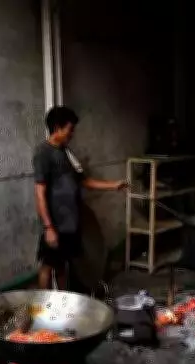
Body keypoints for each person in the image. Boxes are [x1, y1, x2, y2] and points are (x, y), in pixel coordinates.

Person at [33, 106, 127, 289]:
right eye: (70, 129)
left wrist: (114, 185)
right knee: (48, 266)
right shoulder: (43, 153)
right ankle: (42, 302)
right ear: (57, 127)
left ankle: (62, 301)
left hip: (71, 223)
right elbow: (39, 192)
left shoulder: (66, 153)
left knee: (62, 266)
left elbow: (85, 181)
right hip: (55, 224)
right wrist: (49, 227)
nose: (72, 134)